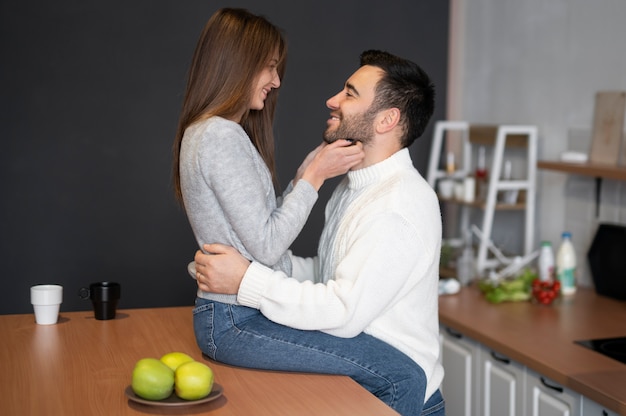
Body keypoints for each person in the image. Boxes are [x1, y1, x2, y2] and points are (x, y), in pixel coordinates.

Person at [174, 9, 434, 415]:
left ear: (387, 119)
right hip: (346, 371)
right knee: (403, 376)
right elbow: (315, 268)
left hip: (403, 394)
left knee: (407, 377)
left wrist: (245, 276)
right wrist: (237, 270)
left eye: (349, 93)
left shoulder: (396, 206)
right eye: (270, 66)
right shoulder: (350, 190)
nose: (331, 99)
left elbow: (342, 308)